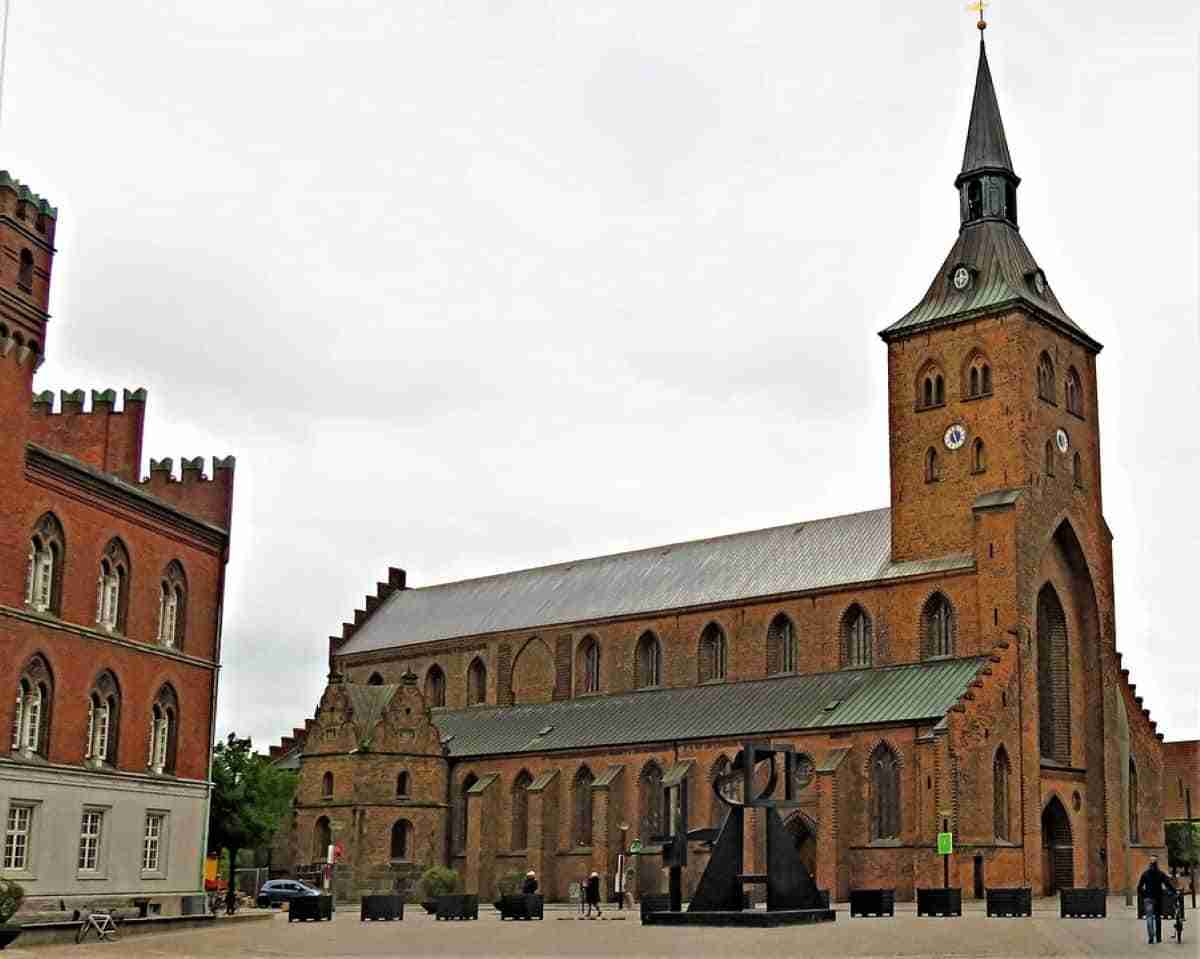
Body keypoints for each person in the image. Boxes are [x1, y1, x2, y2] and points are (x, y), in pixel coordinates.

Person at [1138, 856, 1177, 945]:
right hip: (1158, 898)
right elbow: (1168, 884)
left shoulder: (1145, 874)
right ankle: (1158, 938)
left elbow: (1139, 887)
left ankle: (1151, 937)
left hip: (1148, 898)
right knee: (1157, 917)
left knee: (1149, 917)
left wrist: (1144, 895)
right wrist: (1174, 892)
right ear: (1157, 864)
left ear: (1149, 864)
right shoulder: (1160, 873)